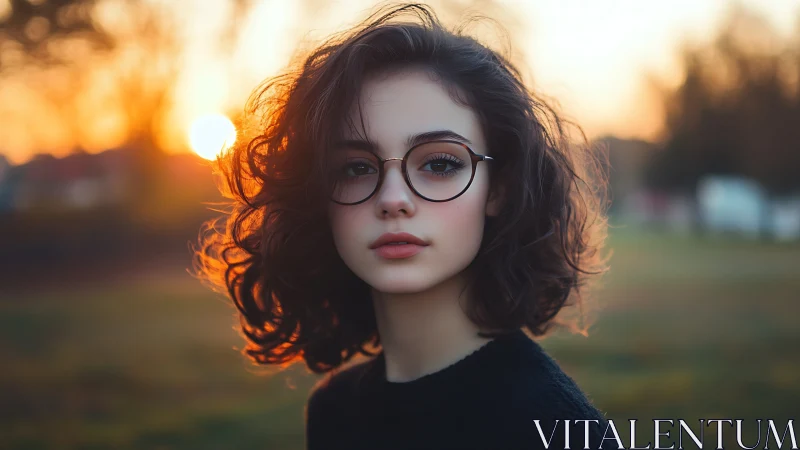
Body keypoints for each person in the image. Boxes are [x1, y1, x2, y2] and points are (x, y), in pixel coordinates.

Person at [194, 3, 614, 449]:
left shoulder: (555, 426)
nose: (392, 199)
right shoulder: (334, 411)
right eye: (356, 168)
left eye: (439, 163)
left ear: (498, 189)